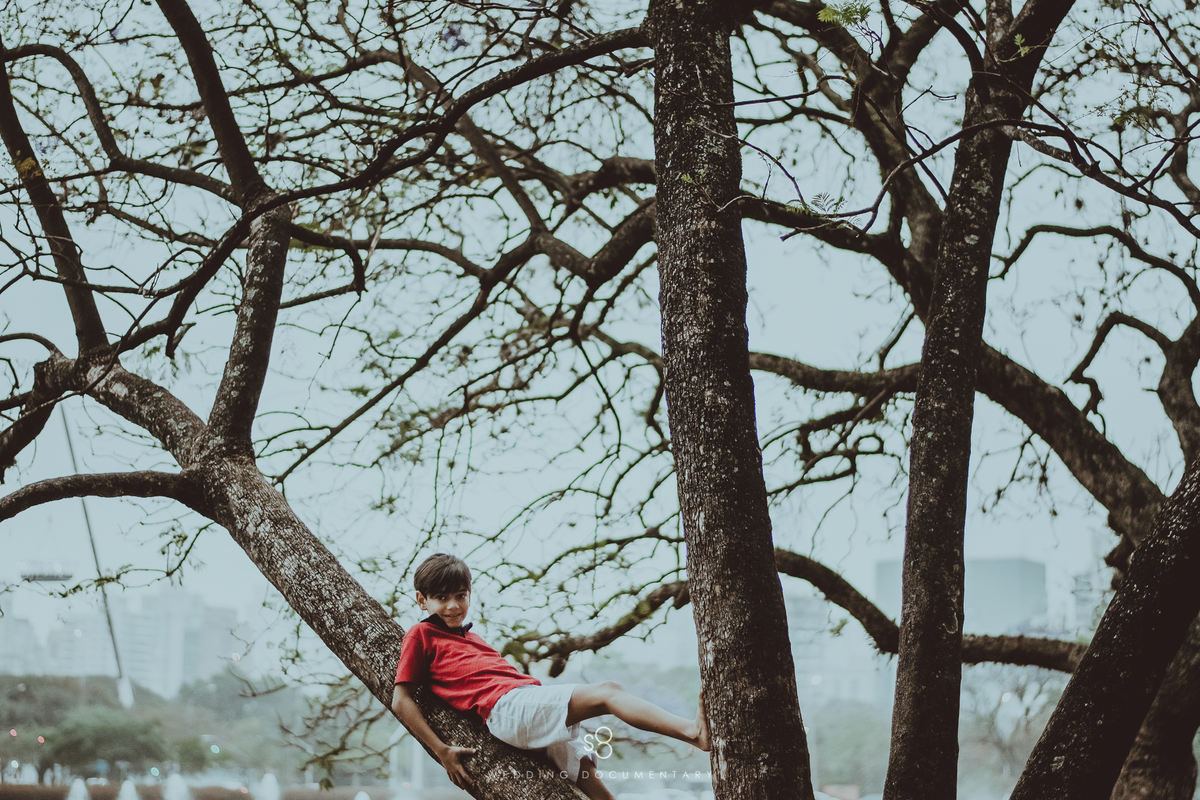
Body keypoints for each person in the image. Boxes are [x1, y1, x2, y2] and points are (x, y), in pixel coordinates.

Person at [391, 553, 709, 800]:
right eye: (442, 598)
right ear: (422, 600)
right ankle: (692, 732)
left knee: (596, 786)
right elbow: (401, 701)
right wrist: (441, 751)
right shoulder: (420, 635)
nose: (453, 605)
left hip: (526, 706)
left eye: (460, 595)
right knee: (609, 691)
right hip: (509, 709)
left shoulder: (472, 639)